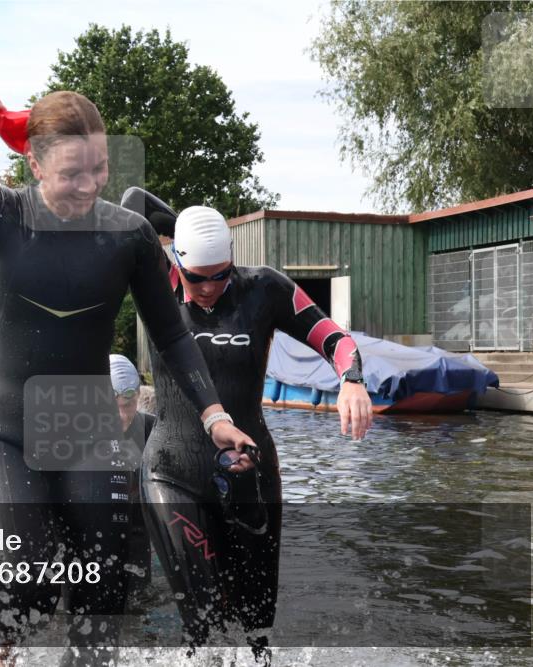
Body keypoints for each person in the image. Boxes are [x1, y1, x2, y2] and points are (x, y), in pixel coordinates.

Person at [0, 90, 254, 666]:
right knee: (27, 580)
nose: (88, 185)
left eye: (99, 168)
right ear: (34, 164)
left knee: (105, 592)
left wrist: (215, 416)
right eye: (70, 172)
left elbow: (172, 335)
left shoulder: (128, 234)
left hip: (82, 426)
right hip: (0, 428)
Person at [124, 194, 373, 662]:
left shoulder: (266, 288)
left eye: (220, 274)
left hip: (249, 473)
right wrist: (190, 225)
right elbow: (131, 202)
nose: (209, 287)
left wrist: (351, 380)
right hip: (172, 468)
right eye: (197, 277)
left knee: (257, 625)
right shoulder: (156, 278)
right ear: (177, 261)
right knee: (202, 616)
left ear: (232, 260)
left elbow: (334, 338)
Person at [108, 354, 156, 593]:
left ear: (137, 397)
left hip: (135, 535)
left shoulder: (153, 429)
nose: (120, 416)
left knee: (139, 602)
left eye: (127, 405)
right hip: (88, 532)